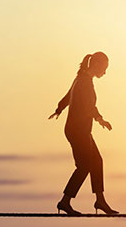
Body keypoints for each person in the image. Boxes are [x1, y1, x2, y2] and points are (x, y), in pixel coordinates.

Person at [49, 52, 119, 216]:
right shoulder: (84, 82)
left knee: (96, 161)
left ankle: (100, 200)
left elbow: (68, 97)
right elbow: (89, 107)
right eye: (104, 68)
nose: (105, 72)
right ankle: (65, 201)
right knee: (84, 166)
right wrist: (101, 119)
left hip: (80, 130)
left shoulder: (80, 78)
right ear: (96, 65)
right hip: (77, 131)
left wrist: (59, 109)